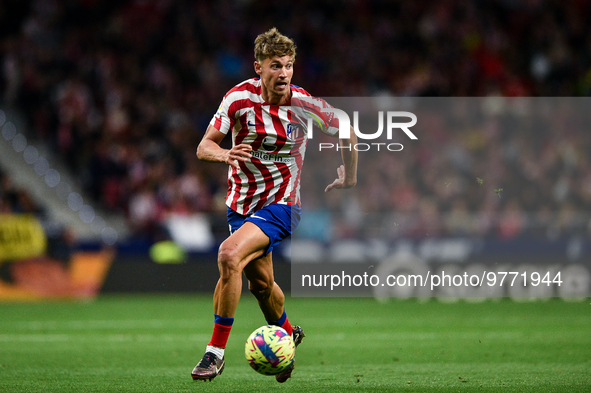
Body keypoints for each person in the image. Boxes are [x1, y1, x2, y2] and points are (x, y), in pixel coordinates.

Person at [191, 27, 357, 383]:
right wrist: (225, 154)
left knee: (228, 255)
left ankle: (214, 353)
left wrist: (351, 175)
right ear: (259, 68)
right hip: (241, 205)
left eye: (289, 66)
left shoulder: (303, 105)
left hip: (282, 204)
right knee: (262, 286)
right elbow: (204, 147)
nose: (283, 73)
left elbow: (344, 124)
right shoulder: (237, 100)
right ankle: (287, 336)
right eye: (275, 66)